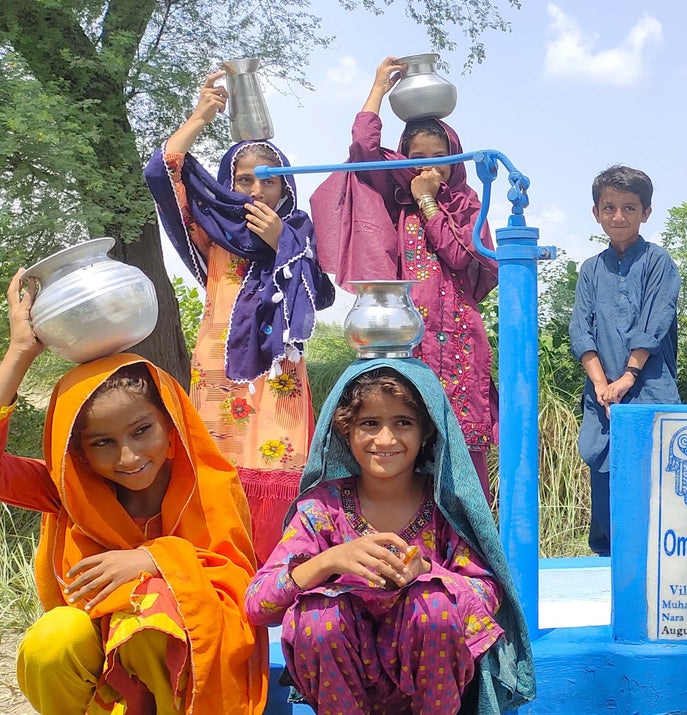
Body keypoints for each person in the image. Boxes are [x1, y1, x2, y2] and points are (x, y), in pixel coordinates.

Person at [0, 272, 267, 714]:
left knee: (152, 615)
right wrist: (19, 352)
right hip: (98, 651)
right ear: (78, 454)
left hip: (185, 663)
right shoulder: (68, 489)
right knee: (52, 641)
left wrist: (153, 559)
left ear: (172, 423)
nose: (128, 457)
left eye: (142, 431)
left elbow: (236, 581)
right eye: (102, 442)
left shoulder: (208, 483)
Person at [245, 359, 534, 714]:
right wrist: (328, 561)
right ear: (345, 430)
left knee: (435, 606)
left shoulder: (444, 508)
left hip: (432, 689)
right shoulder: (322, 511)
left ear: (427, 431)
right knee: (319, 615)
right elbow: (259, 605)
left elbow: (488, 595)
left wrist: (426, 571)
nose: (386, 439)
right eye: (369, 423)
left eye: (403, 423)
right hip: (344, 692)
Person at [144, 72, 335, 563]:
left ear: (286, 185)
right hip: (216, 370)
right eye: (244, 179)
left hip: (279, 374)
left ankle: (277, 573)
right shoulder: (210, 233)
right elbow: (162, 173)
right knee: (216, 464)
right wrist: (202, 116)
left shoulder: (299, 234)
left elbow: (318, 297)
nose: (257, 189)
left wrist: (280, 245)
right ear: (228, 186)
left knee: (280, 464)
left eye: (269, 179)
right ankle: (220, 568)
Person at [309, 56, 498, 501]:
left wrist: (430, 203)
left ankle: (470, 550)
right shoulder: (395, 197)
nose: (430, 167)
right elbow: (362, 150)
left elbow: (456, 254)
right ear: (405, 160)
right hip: (407, 336)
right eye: (418, 158)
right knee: (408, 435)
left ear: (457, 160)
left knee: (462, 443)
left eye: (442, 158)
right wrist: (377, 87)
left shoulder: (471, 205)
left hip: (458, 339)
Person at [569, 165, 681, 556]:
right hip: (602, 397)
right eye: (609, 207)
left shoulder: (658, 262)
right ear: (596, 212)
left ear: (645, 212)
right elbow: (580, 331)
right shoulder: (590, 269)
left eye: (629, 208)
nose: (619, 217)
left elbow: (653, 322)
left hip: (649, 389)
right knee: (604, 476)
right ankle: (607, 565)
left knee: (653, 478)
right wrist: (601, 383)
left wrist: (628, 377)